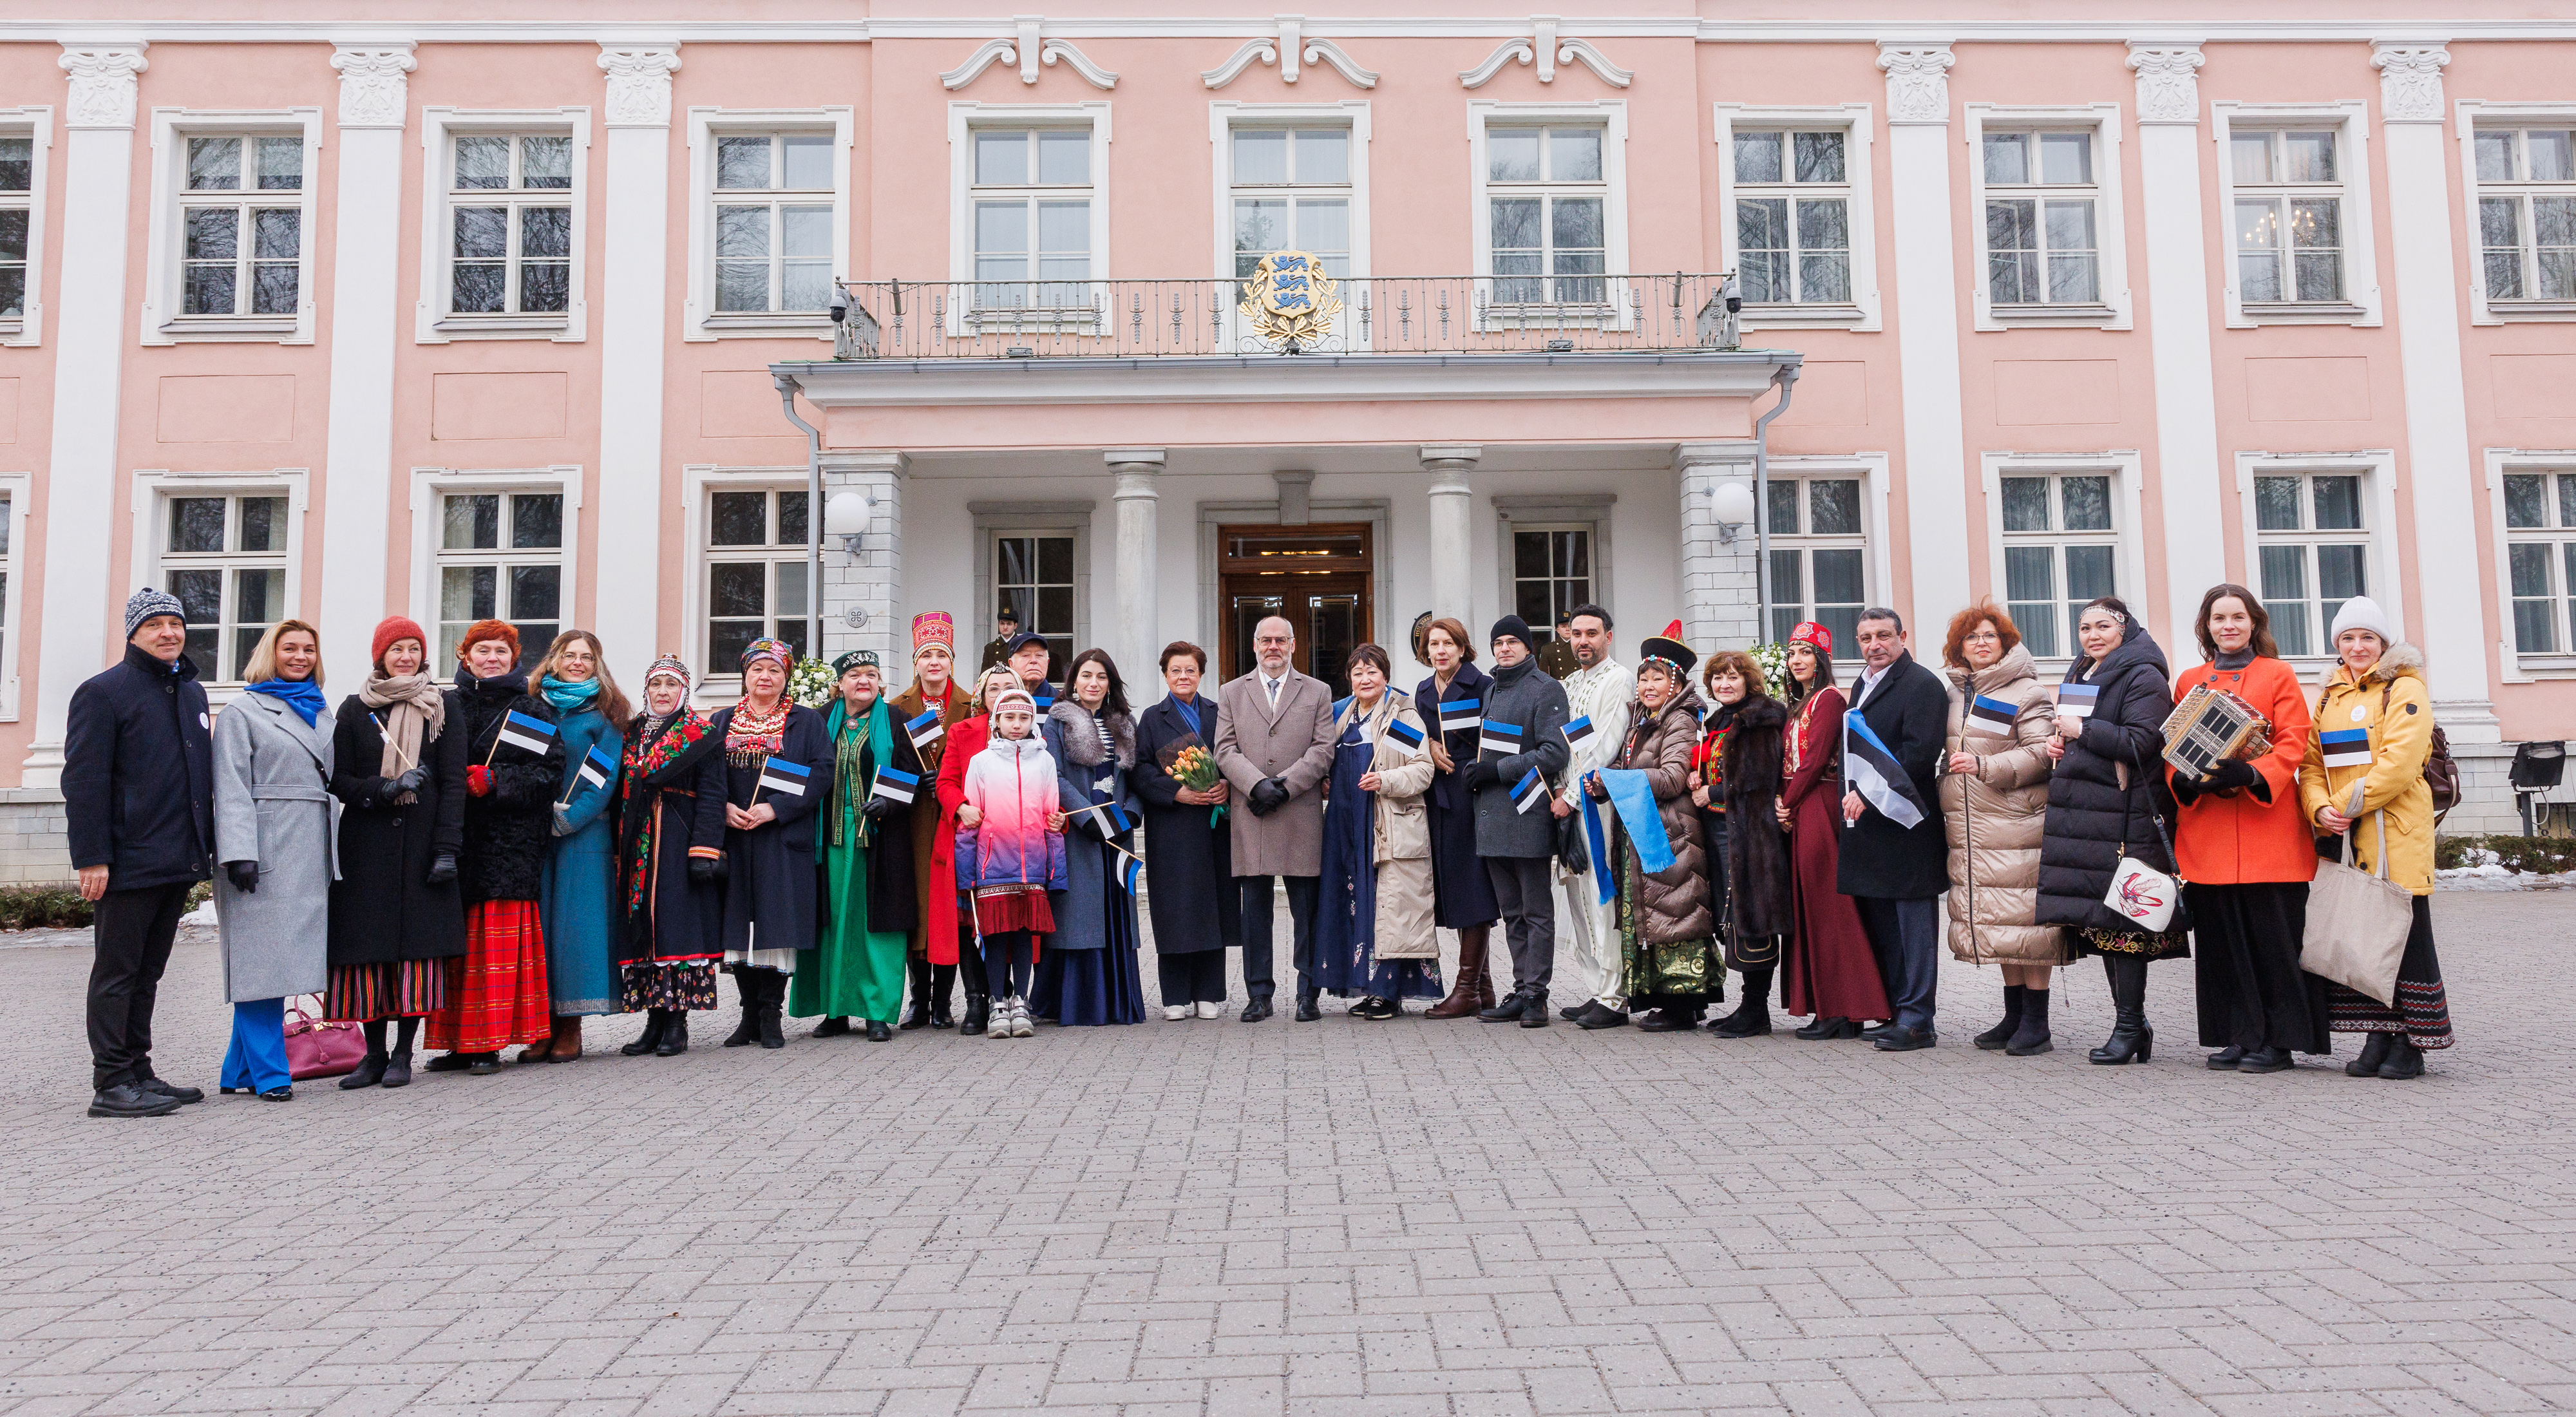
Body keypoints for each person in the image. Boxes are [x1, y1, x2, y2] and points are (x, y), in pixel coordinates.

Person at [64, 588, 216, 1117]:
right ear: (133, 633)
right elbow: (84, 782)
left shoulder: (191, 693)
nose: (168, 633)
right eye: (154, 624)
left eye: (175, 623)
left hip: (176, 856)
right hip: (127, 860)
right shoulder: (103, 693)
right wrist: (91, 856)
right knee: (118, 972)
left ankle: (138, 1071)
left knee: (148, 973)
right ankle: (111, 1082)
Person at [2171, 584, 2324, 1074]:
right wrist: (2184, 781)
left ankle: (2279, 1041)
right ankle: (2239, 1034)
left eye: (2237, 617)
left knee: (2274, 942)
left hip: (2268, 832)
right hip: (2209, 832)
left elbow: (2295, 741)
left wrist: (2251, 774)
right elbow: (2174, 745)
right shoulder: (2190, 680)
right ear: (2207, 627)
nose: (2229, 626)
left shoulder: (2278, 674)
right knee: (2222, 945)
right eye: (2219, 618)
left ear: (2254, 622)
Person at [2297, 596, 2451, 1079]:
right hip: (2348, 834)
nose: (2358, 646)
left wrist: (2341, 806)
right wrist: (2318, 807)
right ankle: (2377, 1035)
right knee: (2362, 934)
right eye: (2348, 638)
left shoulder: (2405, 687)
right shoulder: (2330, 697)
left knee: (2404, 935)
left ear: (2383, 643)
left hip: (2396, 833)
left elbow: (2400, 764)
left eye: (2367, 637)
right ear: (2337, 645)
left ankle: (2412, 1041)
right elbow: (2311, 764)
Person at [2035, 598, 2184, 1065]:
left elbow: (2143, 741)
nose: (2093, 635)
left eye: (2103, 626)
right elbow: (2080, 732)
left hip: (2126, 817)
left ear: (2124, 629)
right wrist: (2059, 743)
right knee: (2102, 924)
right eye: (2085, 628)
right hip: (2088, 816)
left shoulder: (2144, 675)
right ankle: (2132, 1025)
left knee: (2125, 924)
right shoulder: (2082, 670)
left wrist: (2082, 731)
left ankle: (2129, 1027)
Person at [326, 615, 468, 1089]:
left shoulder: (443, 706)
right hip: (367, 848)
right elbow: (338, 778)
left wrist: (447, 848)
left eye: (413, 649)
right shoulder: (355, 709)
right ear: (380, 657)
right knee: (366, 954)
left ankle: (403, 1054)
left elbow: (454, 784)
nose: (405, 657)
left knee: (415, 956)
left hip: (423, 846)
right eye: (396, 649)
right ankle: (373, 1054)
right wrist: (383, 789)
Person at [424, 620, 564, 1075]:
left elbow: (548, 776)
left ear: (514, 658)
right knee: (453, 949)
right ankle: (456, 1044)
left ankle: (487, 1044)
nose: (492, 658)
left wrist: (496, 780)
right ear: (465, 657)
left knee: (492, 955)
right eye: (483, 650)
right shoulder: (443, 706)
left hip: (509, 848)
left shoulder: (531, 710)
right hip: (453, 842)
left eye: (501, 651)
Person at [209, 620, 334, 1101]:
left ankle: (237, 1070)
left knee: (282, 958)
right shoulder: (242, 711)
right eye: (290, 648)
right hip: (264, 846)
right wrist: (239, 852)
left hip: (311, 843)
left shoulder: (320, 709)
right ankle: (271, 1074)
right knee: (259, 960)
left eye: (308, 649)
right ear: (270, 653)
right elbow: (230, 783)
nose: (300, 657)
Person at [1937, 603, 2066, 1057]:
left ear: (2005, 642)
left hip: (2018, 823)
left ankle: (2037, 1024)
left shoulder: (2027, 691)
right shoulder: (1957, 693)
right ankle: (2014, 1016)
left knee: (2029, 924)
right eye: (1972, 637)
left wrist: (1984, 765)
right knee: (1999, 921)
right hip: (1974, 826)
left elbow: (2042, 754)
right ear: (1960, 647)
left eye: (1990, 635)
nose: (1981, 644)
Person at [1584, 632, 1713, 1033]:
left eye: (1658, 679)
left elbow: (1673, 777)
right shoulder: (1641, 719)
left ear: (1676, 683)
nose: (1647, 686)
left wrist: (1616, 780)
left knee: (1677, 912)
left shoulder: (1681, 719)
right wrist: (1603, 782)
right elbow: (1633, 769)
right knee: (1655, 914)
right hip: (1642, 830)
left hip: (1671, 832)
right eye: (1643, 679)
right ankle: (1666, 1001)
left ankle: (1683, 1005)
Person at [1215, 614, 1338, 1022]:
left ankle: (1308, 994)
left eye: (1280, 640)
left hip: (1299, 812)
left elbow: (1323, 749)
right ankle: (1259, 995)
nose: (1273, 647)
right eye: (1265, 640)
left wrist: (1284, 787)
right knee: (1255, 912)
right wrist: (1256, 786)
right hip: (1252, 815)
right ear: (1254, 645)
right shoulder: (1232, 692)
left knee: (1307, 911)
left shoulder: (1318, 691)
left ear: (1293, 645)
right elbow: (1225, 749)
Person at [792, 650, 919, 1042]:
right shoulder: (818, 720)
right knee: (832, 923)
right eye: (855, 675)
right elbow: (802, 768)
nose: (864, 681)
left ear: (881, 682)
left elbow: (912, 772)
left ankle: (876, 1012)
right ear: (840, 683)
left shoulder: (897, 720)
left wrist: (889, 803)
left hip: (879, 838)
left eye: (872, 674)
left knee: (873, 926)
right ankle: (835, 1011)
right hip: (827, 837)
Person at [711, 638, 831, 1051]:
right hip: (735, 837)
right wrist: (724, 807)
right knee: (739, 929)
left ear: (786, 677)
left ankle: (770, 1014)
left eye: (774, 670)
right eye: (757, 669)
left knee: (776, 926)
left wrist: (776, 809)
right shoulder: (722, 721)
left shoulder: (806, 721)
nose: (765, 677)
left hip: (781, 839)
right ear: (745, 676)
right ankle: (747, 1016)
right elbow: (707, 775)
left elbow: (822, 773)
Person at [1838, 607, 1949, 1052]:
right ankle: (1895, 1012)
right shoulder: (1863, 684)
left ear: (1903, 636)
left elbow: (1919, 753)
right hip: (1871, 829)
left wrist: (1867, 794)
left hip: (1907, 825)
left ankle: (1919, 1019)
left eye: (1883, 636)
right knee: (1886, 925)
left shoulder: (1922, 685)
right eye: (1866, 638)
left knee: (1914, 929)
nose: (1875, 645)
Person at [1772, 624, 1890, 1040]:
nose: (1797, 661)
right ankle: (1827, 1006)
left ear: (1821, 660)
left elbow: (1816, 758)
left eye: (1806, 653)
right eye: (1792, 654)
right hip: (1801, 806)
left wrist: (1787, 802)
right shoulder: (1798, 704)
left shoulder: (1828, 700)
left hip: (1819, 805)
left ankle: (1844, 1008)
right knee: (1810, 908)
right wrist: (1783, 800)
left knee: (1828, 908)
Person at [1311, 645, 1441, 1018]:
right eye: (1358, 673)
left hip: (1384, 821)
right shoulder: (1341, 714)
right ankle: (1367, 988)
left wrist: (1386, 780)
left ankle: (1388, 992)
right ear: (1349, 679)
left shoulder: (1402, 715)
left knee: (1386, 904)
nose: (1365, 679)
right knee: (1353, 901)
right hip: (1344, 822)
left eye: (1372, 672)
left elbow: (1422, 769)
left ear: (1385, 676)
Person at [612, 656, 728, 1058]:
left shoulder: (701, 734)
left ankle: (677, 1023)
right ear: (646, 690)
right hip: (637, 843)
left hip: (679, 840)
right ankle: (653, 1021)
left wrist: (704, 850)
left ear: (684, 691)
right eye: (656, 684)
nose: (663, 692)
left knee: (676, 928)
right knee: (643, 927)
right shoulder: (630, 733)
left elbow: (714, 794)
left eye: (672, 685)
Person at [524, 631, 629, 1063]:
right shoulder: (534, 708)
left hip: (583, 835)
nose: (577, 663)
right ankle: (543, 1026)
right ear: (554, 660)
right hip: (534, 834)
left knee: (575, 931)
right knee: (541, 930)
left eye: (586, 657)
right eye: (570, 655)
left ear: (596, 665)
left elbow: (604, 780)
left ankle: (571, 1027)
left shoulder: (604, 717)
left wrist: (569, 819)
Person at [1032, 649, 1146, 1026]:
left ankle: (1117, 1003)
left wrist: (1132, 812)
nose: (1093, 683)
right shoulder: (1057, 721)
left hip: (1118, 831)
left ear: (1110, 683)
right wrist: (1087, 817)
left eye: (1101, 676)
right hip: (1079, 831)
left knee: (1115, 908)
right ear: (1074, 681)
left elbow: (1136, 775)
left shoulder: (1125, 723)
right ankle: (1078, 1004)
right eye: (1086, 676)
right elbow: (1053, 774)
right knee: (1079, 916)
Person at [1466, 615, 1571, 1027]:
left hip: (1527, 813)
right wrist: (1477, 772)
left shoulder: (1546, 688)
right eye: (1499, 643)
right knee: (1512, 912)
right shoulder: (1492, 688)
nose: (1505, 648)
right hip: (1491, 816)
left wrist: (1497, 770)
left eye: (1513, 641)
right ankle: (1521, 988)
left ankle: (1537, 996)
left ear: (1528, 647)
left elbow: (1554, 752)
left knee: (1535, 911)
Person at [1132, 642, 1242, 1020]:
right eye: (1175, 670)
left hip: (1215, 825)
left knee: (1214, 906)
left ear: (1201, 674)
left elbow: (1235, 756)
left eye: (1190, 670)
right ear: (1165, 675)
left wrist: (1227, 784)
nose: (1183, 677)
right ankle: (1175, 995)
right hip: (1172, 828)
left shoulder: (1219, 713)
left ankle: (1209, 993)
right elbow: (1139, 769)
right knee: (1175, 908)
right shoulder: (1152, 718)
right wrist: (1175, 792)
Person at [956, 685, 1068, 1038]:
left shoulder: (1045, 761)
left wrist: (1056, 872)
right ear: (996, 721)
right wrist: (966, 875)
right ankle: (996, 1003)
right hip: (993, 866)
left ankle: (1021, 1001)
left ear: (1033, 721)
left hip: (1032, 865)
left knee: (1023, 936)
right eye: (1009, 718)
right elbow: (969, 821)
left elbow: (1052, 816)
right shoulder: (981, 762)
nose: (1017, 724)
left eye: (1023, 718)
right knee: (995, 936)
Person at [891, 611, 977, 1029]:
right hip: (911, 821)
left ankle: (943, 1002)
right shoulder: (897, 708)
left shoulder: (970, 704)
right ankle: (918, 1001)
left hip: (954, 819)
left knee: (949, 910)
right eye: (926, 655)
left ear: (952, 661)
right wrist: (912, 782)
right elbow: (887, 763)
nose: (934, 663)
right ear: (916, 663)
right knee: (918, 906)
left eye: (941, 655)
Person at [932, 664, 1028, 1036]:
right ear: (982, 697)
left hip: (1015, 845)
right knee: (971, 921)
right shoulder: (962, 731)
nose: (1000, 694)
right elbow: (946, 782)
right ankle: (976, 1000)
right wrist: (960, 807)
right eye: (993, 689)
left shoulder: (1028, 734)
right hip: (971, 840)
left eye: (1009, 687)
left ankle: (1005, 997)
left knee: (1010, 919)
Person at [1414, 618, 1502, 1020]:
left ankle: (1466, 989)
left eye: (1448, 643)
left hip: (1472, 793)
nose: (1441, 651)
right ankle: (1483, 988)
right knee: (1455, 887)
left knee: (1473, 886)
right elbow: (1410, 734)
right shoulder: (1422, 690)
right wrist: (1429, 744)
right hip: (1437, 796)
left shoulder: (1483, 685)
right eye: (1434, 644)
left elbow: (1500, 737)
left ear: (1463, 648)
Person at [1550, 605, 1634, 1025]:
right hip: (1566, 801)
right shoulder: (1568, 684)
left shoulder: (1619, 679)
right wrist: (1556, 789)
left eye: (1592, 633)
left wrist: (1570, 796)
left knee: (1601, 895)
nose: (1583, 641)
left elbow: (1606, 744)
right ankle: (1596, 987)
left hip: (1596, 801)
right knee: (1577, 897)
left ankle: (1615, 997)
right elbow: (1562, 745)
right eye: (1577, 634)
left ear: (1608, 637)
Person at [1707, 648, 1793, 1037]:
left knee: (1753, 920)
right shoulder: (1717, 720)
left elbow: (1757, 781)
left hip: (1751, 833)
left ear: (1748, 680)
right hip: (1720, 829)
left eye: (1733, 677)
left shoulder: (1759, 719)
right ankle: (1747, 1005)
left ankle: (1757, 1010)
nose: (1724, 684)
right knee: (1732, 919)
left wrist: (1710, 792)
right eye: (1718, 677)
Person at [978, 603, 1021, 676]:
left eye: (1009, 624)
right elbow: (984, 676)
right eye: (1002, 624)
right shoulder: (990, 648)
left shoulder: (1022, 646)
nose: (1005, 627)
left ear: (1015, 626)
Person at [1537, 611, 1579, 680]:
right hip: (1558, 685)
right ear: (1558, 630)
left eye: (1570, 626)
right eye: (1563, 627)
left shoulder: (1581, 647)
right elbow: (1543, 676)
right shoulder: (1548, 649)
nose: (1567, 629)